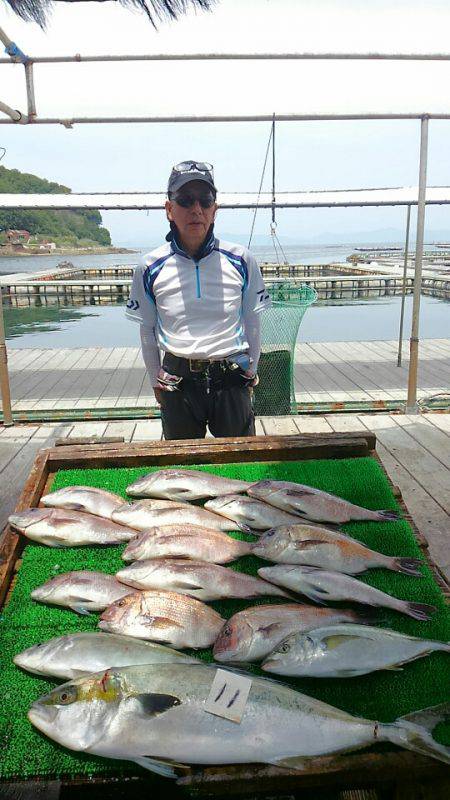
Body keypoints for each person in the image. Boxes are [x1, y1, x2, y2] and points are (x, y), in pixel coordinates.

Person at [126, 159, 271, 439]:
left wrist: (251, 368)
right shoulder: (149, 266)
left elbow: (252, 318)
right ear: (169, 209)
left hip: (231, 374)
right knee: (181, 468)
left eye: (205, 200)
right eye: (185, 200)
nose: (196, 209)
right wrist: (155, 376)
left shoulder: (242, 259)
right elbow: (147, 328)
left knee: (242, 462)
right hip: (176, 379)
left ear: (214, 210)